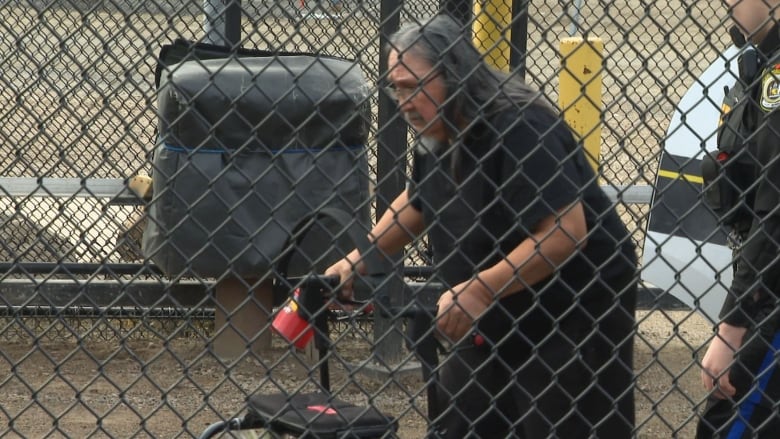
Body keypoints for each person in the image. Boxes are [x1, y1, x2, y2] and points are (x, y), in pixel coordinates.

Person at [325, 15, 638, 438]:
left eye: (414, 84)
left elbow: (566, 232)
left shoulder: (520, 126)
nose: (403, 99)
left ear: (454, 76)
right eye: (396, 87)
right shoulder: (440, 129)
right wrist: (358, 258)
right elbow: (418, 201)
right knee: (462, 421)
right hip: (496, 309)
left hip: (572, 311)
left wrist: (478, 290)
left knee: (560, 422)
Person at [698, 1, 780, 437]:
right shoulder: (756, 67)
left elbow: (776, 215)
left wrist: (732, 328)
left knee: (728, 421)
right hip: (760, 282)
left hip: (769, 294)